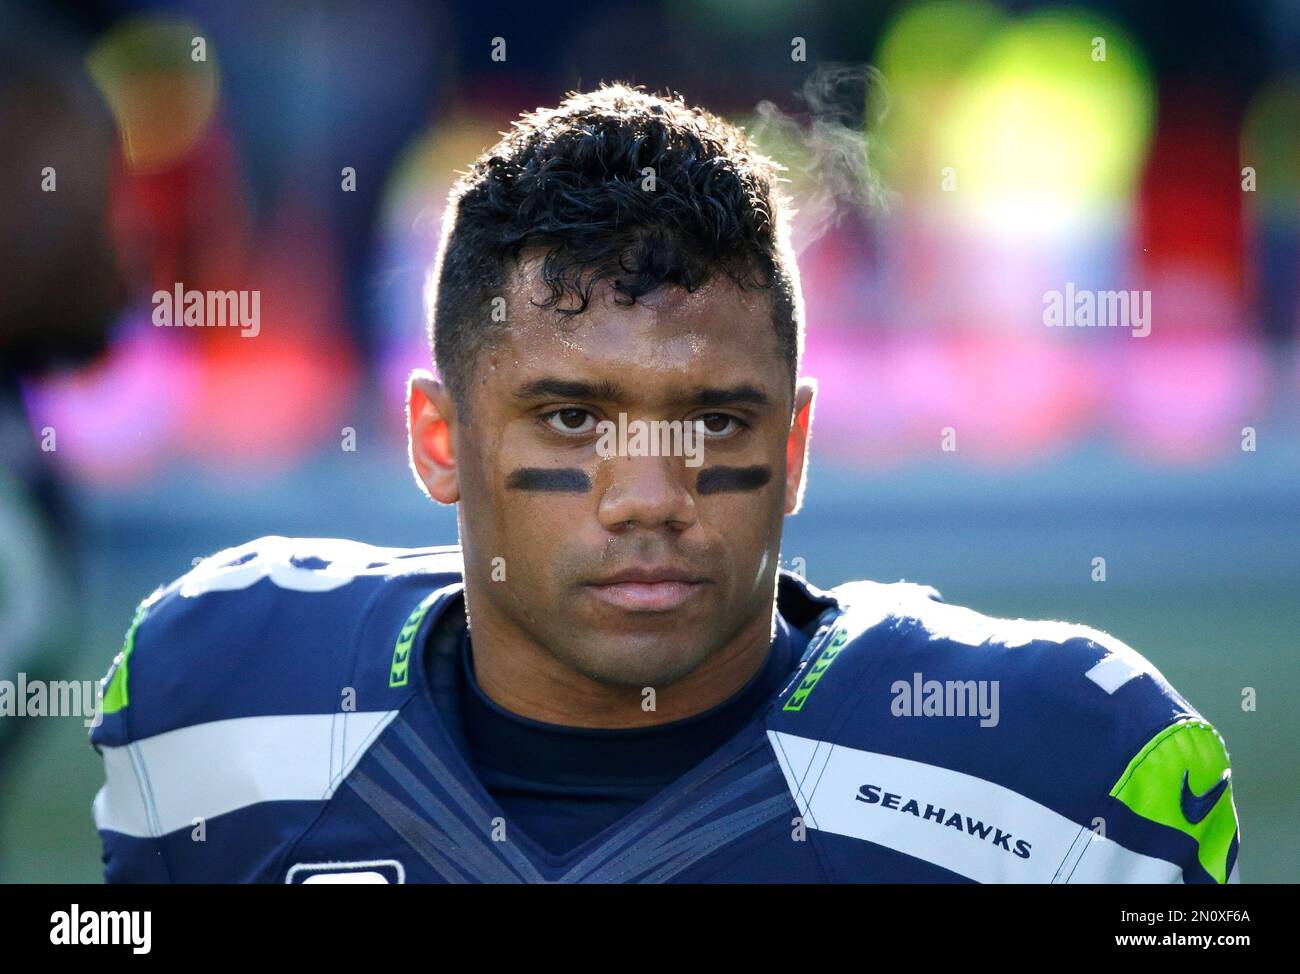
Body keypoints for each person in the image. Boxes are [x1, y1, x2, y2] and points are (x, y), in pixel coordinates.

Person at [90, 83, 1239, 883]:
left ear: (790, 450)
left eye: (712, 419)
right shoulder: (220, 695)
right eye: (574, 416)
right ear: (439, 439)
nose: (648, 495)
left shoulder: (1058, 779)